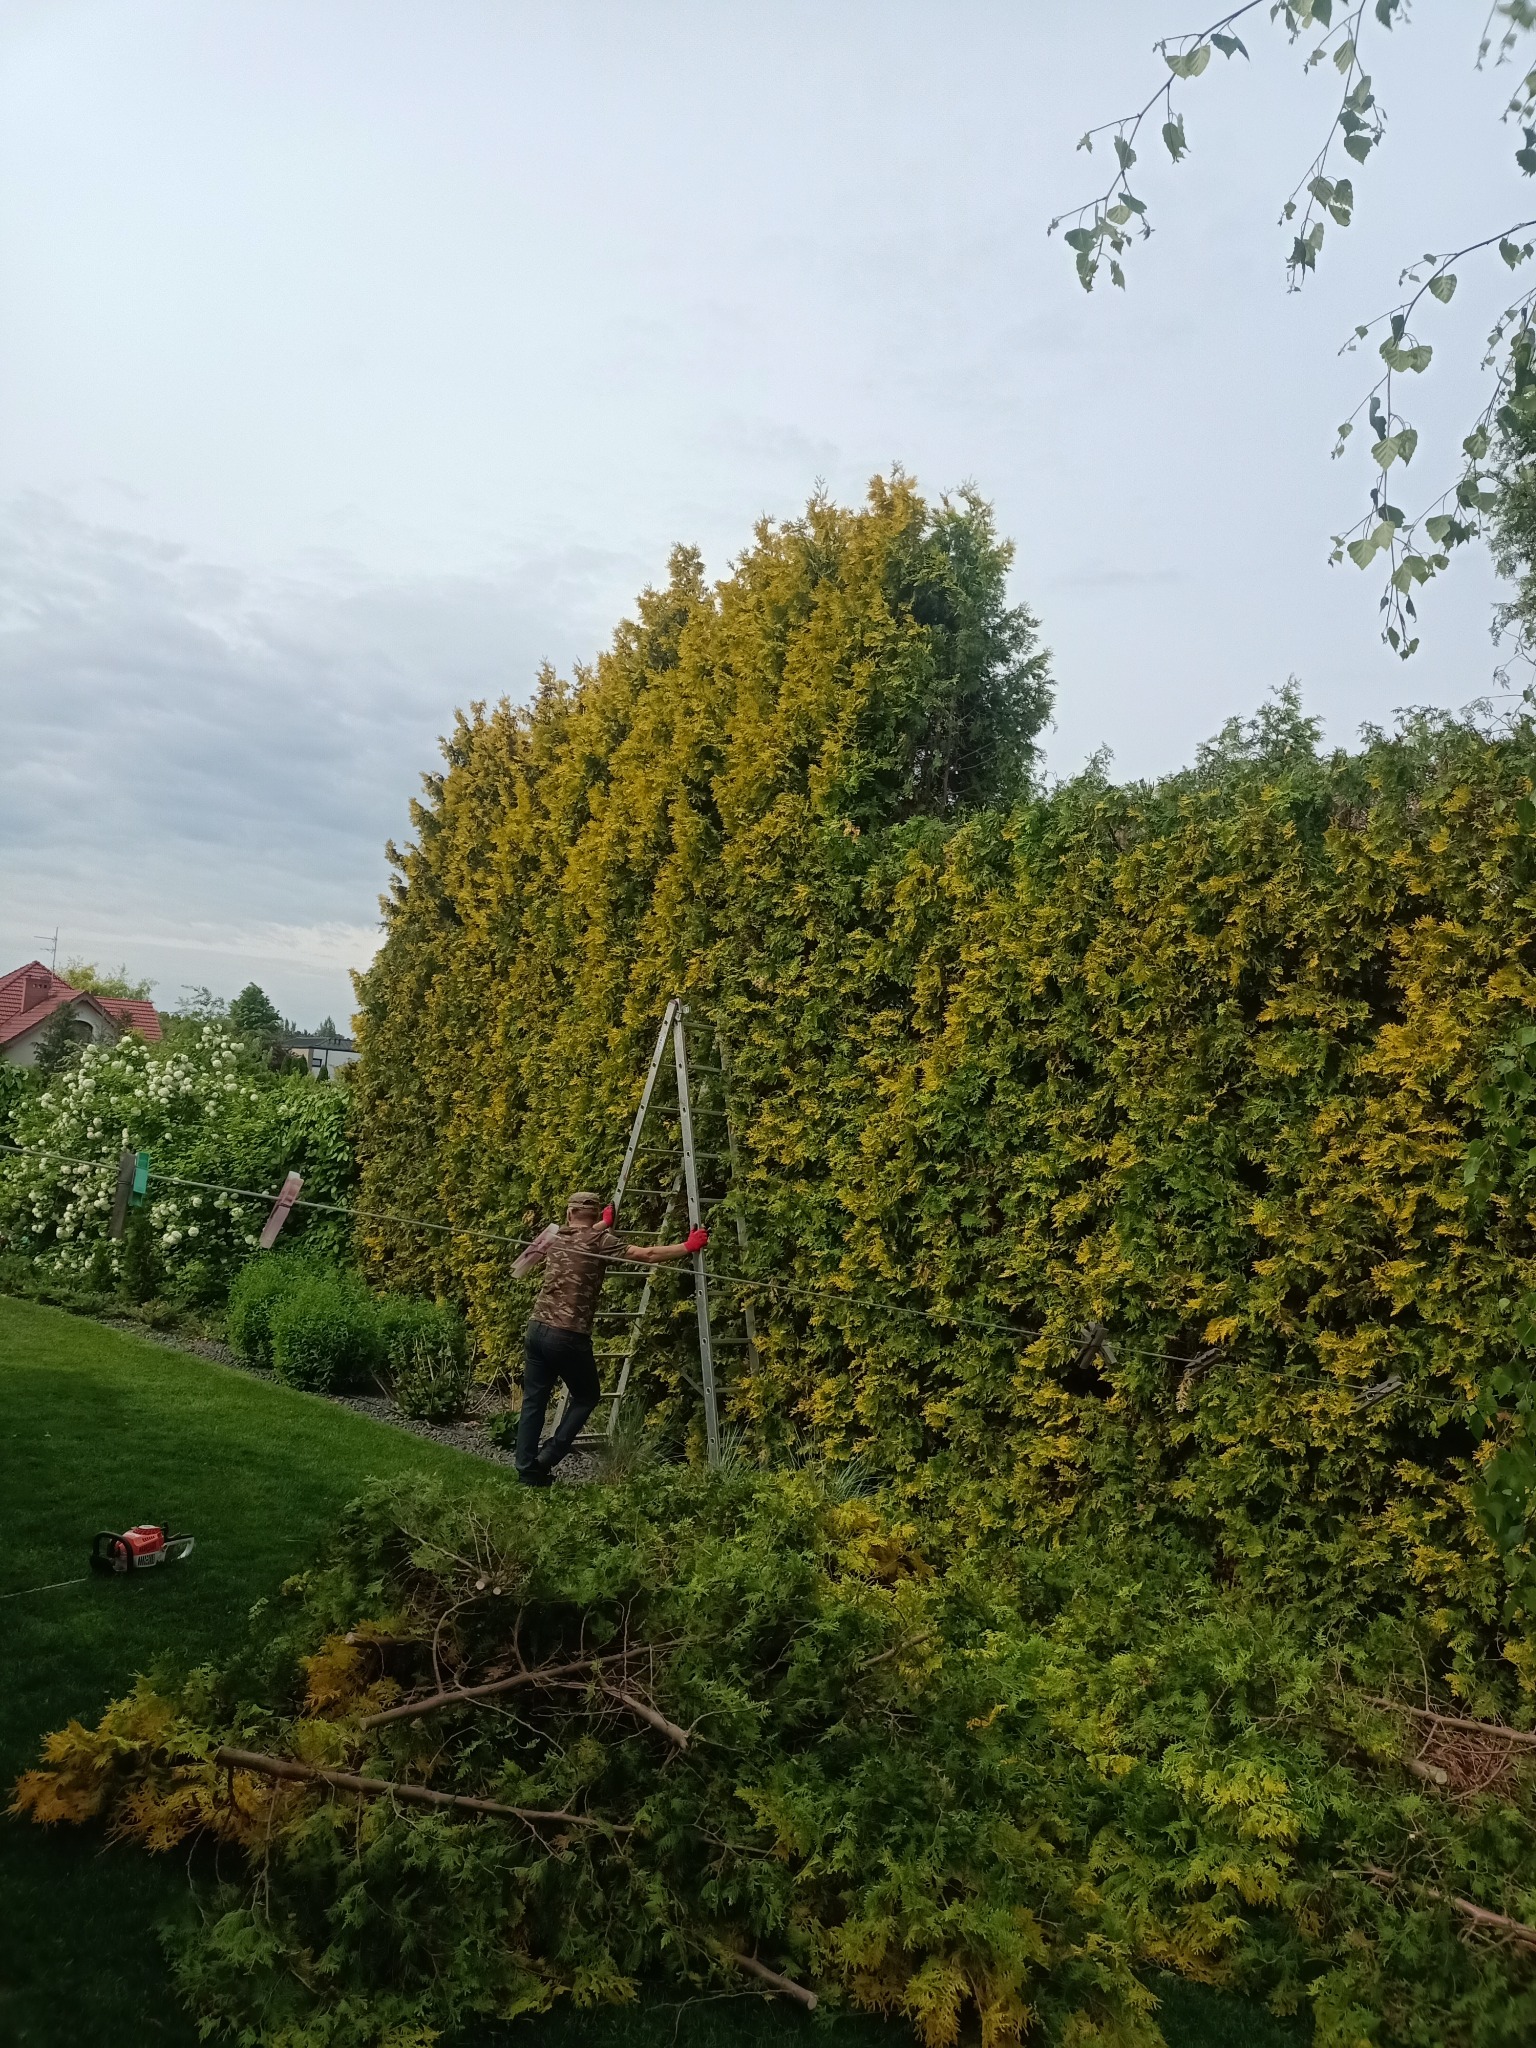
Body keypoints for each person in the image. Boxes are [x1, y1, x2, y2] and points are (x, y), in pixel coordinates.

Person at [514, 1189, 707, 1486]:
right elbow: (647, 1255)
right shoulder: (600, 1241)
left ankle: (527, 1471)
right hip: (568, 1335)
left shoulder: (553, 1235)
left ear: (569, 1213)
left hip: (537, 1328)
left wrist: (604, 1223)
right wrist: (688, 1245)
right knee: (586, 1396)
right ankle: (549, 1456)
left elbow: (524, 1264)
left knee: (533, 1401)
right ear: (593, 1215)